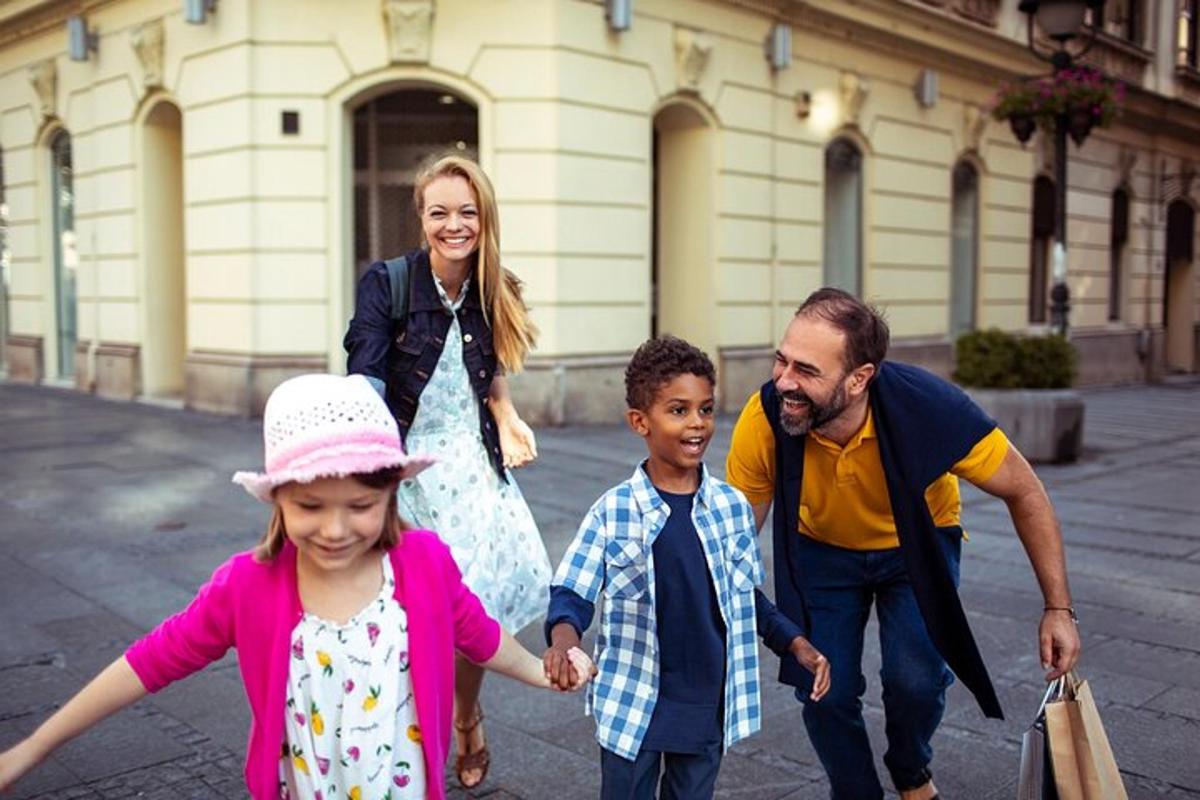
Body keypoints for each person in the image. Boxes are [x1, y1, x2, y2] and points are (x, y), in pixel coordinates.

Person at [0, 374, 591, 800]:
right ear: (277, 497)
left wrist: (545, 671)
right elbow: (147, 663)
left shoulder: (424, 562)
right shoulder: (247, 586)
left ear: (391, 493)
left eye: (361, 506)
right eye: (310, 506)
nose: (335, 530)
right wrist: (31, 750)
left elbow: (481, 637)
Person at [725, 288, 1082, 800]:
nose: (783, 380)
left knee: (916, 682)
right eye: (781, 359)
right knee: (824, 690)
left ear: (859, 378)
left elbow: (1025, 490)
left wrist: (1058, 609)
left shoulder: (930, 407)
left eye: (806, 370)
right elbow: (735, 537)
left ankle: (910, 769)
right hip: (822, 551)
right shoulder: (766, 418)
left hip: (915, 545)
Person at [543, 335, 831, 800]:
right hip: (632, 699)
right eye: (678, 410)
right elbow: (571, 592)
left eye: (706, 409)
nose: (697, 423)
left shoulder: (732, 507)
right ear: (641, 421)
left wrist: (795, 643)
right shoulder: (613, 510)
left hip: (706, 700)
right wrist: (564, 644)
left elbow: (744, 597)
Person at [342, 155, 552, 789]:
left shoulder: (495, 286)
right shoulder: (389, 283)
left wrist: (508, 415)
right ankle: (421, 737)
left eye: (466, 211)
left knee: (473, 610)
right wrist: (372, 463)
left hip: (474, 468)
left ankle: (466, 714)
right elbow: (367, 371)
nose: (453, 224)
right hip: (407, 469)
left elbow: (491, 369)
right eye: (439, 212)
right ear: (422, 217)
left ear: (484, 217)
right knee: (410, 618)